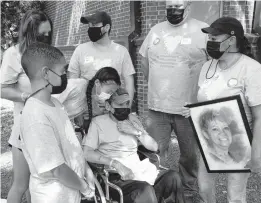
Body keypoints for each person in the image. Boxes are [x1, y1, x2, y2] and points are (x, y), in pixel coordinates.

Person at [182, 16, 261, 203]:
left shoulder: (252, 69)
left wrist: (257, 152)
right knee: (204, 188)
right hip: (209, 140)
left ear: (231, 40)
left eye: (215, 38)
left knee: (235, 195)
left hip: (240, 142)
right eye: (209, 38)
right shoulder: (207, 67)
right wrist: (194, 112)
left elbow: (259, 116)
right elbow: (204, 103)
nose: (210, 42)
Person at [139, 0, 209, 197]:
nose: (172, 11)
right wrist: (158, 84)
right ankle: (155, 192)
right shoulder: (156, 30)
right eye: (169, 7)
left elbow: (213, 66)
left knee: (189, 157)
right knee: (153, 153)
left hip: (189, 108)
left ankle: (188, 194)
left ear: (188, 7)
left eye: (177, 7)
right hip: (157, 108)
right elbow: (144, 61)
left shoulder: (203, 30)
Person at [20, 42, 95, 203]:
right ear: (46, 73)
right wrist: (84, 188)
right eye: (62, 71)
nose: (65, 75)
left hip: (69, 195)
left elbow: (71, 145)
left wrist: (87, 170)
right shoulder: (35, 117)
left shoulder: (56, 104)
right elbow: (56, 169)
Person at [83, 88, 185, 203]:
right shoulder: (98, 123)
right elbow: (87, 153)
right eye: (120, 104)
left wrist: (136, 131)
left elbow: (154, 147)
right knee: (144, 190)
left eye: (127, 104)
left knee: (173, 177)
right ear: (108, 106)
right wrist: (115, 163)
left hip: (138, 170)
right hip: (116, 175)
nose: (125, 108)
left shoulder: (132, 119)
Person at [0, 10, 52, 203]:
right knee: (21, 183)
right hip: (24, 127)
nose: (46, 38)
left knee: (40, 182)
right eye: (41, 34)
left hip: (47, 126)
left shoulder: (48, 53)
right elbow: (2, 89)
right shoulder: (13, 54)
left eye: (48, 34)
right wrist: (25, 96)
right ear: (29, 33)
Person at [68, 11, 135, 128]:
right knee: (89, 144)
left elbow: (129, 83)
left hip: (113, 112)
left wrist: (125, 110)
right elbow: (72, 82)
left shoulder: (121, 51)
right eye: (89, 26)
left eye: (94, 25)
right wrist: (76, 112)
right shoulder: (80, 50)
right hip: (87, 113)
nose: (90, 29)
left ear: (107, 27)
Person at [55, 67, 121, 138]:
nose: (108, 96)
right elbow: (46, 102)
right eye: (109, 92)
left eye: (112, 93)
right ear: (97, 83)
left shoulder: (93, 100)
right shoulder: (77, 85)